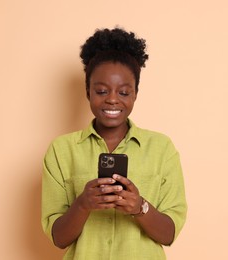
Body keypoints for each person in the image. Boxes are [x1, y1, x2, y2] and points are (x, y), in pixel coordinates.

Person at [41, 27, 187, 259]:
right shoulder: (61, 151)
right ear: (88, 92)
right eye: (101, 90)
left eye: (124, 92)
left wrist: (140, 206)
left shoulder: (162, 149)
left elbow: (169, 234)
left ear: (136, 94)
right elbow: (59, 239)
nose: (112, 99)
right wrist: (82, 205)